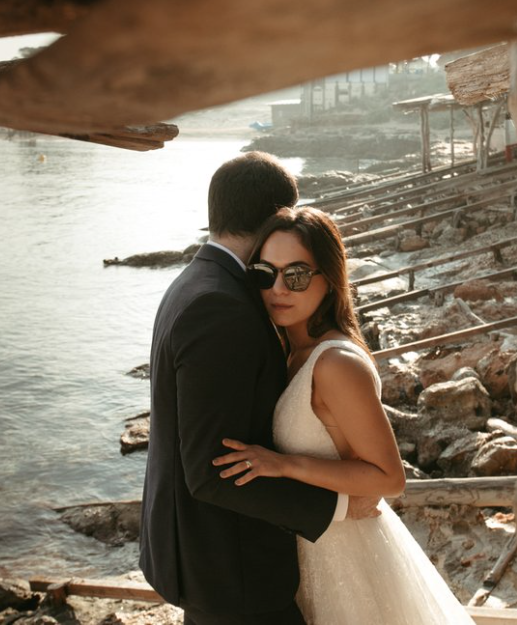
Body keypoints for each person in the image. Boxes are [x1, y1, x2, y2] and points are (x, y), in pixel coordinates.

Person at [139, 152, 379, 625]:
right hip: (234, 569)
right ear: (275, 217)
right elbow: (210, 471)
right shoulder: (221, 306)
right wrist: (333, 507)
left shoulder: (192, 282)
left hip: (207, 560)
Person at [213, 207, 477, 624]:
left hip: (349, 560)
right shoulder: (290, 351)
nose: (279, 288)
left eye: (296, 275)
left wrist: (283, 464)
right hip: (313, 551)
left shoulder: (335, 363)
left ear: (329, 278)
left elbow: (389, 478)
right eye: (266, 273)